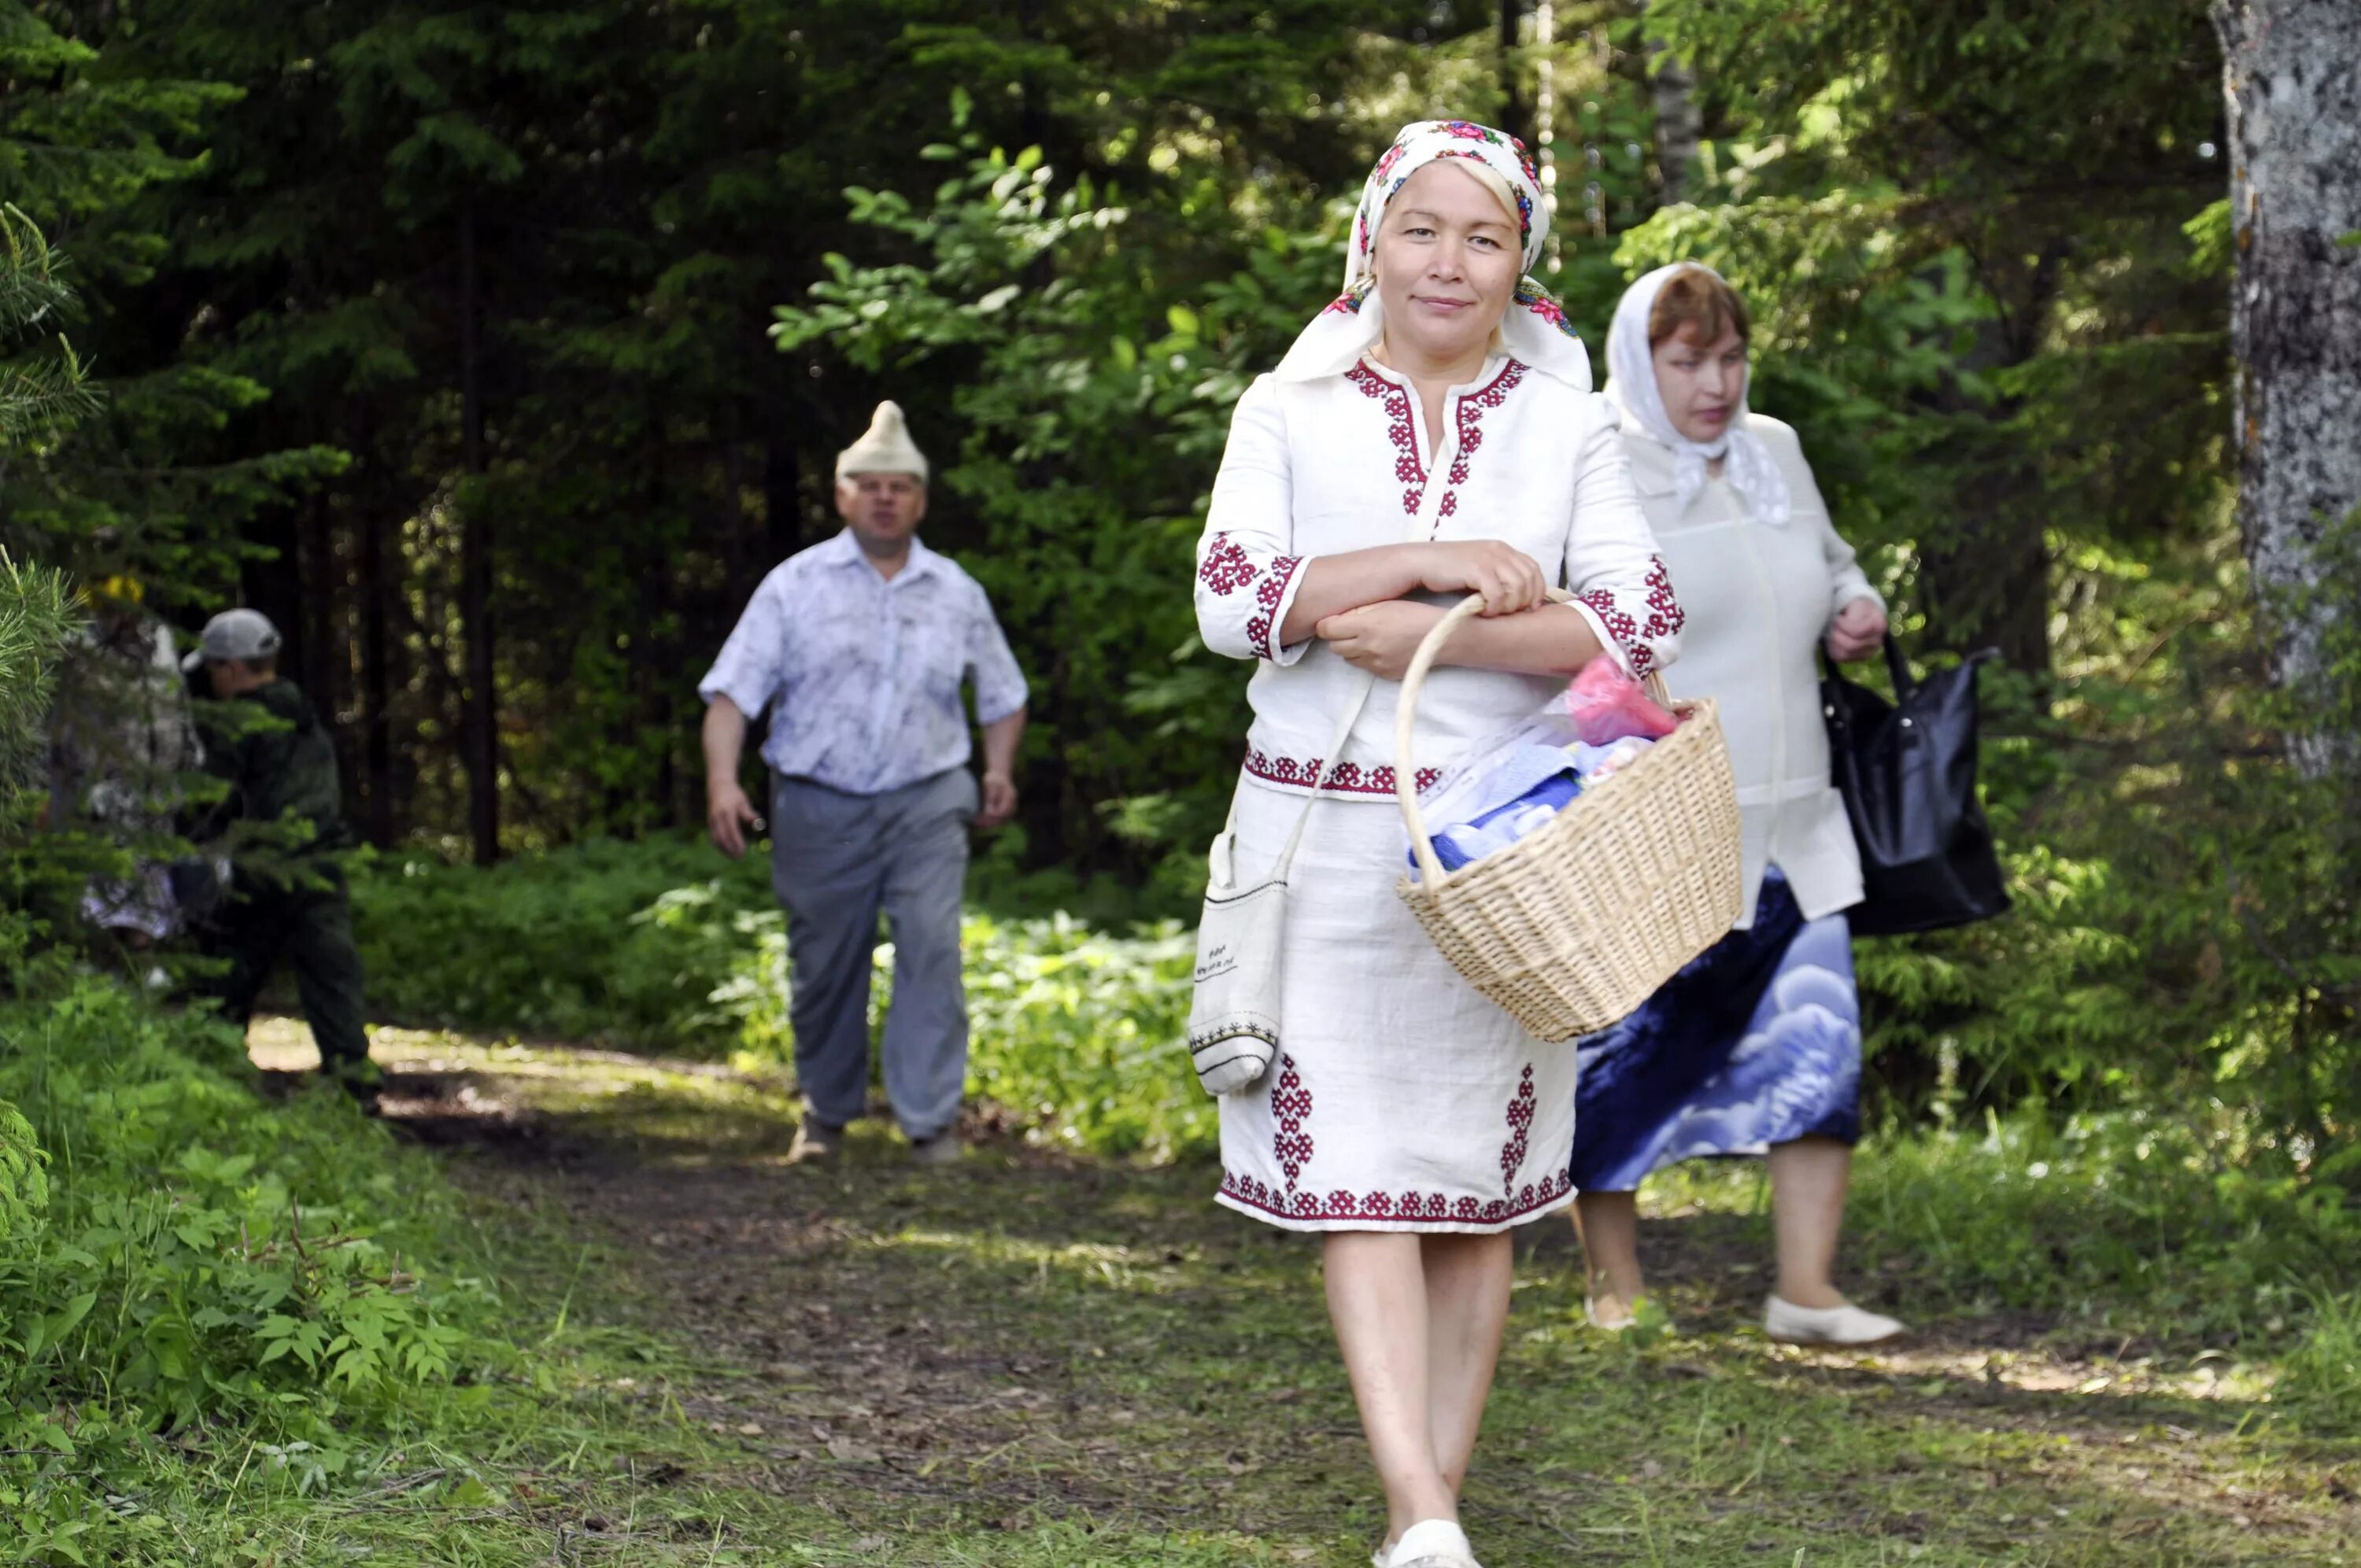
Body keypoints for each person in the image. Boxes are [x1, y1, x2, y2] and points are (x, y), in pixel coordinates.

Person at [1194, 122, 1682, 1568]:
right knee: (1357, 1171)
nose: (1449, 261)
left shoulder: (1568, 416)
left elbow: (1641, 618)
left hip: (1515, 841)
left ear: (1523, 256)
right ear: (1372, 240)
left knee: (1479, 1189)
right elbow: (1235, 597)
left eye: (1484, 235)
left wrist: (1411, 630)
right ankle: (1419, 1503)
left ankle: (1430, 1519)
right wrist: (1433, 555)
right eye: (1423, 229)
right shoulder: (1289, 407)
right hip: (1327, 844)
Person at [1567, 262, 1903, 1347]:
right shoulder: (1596, 463)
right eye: (1686, 361)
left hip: (1798, 821)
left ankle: (1805, 1289)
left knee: (1817, 1054)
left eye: (1730, 358)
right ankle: (1615, 1288)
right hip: (1661, 826)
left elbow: (1836, 565)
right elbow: (1569, 641)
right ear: (1639, 360)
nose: (1715, 383)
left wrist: (1856, 608)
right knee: (1627, 1059)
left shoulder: (1777, 452)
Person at [699, 401, 1027, 1168]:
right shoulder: (793, 585)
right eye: (869, 484)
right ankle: (825, 1112)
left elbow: (1005, 694)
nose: (885, 497)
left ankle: (930, 1121)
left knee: (931, 949)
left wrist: (999, 768)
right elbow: (731, 695)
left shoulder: (955, 590)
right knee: (825, 960)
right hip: (817, 801)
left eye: (901, 486)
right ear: (843, 496)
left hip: (927, 797)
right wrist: (724, 782)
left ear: (920, 500)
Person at [184, 607, 378, 1103]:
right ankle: (355, 1089)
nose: (211, 683)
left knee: (229, 973)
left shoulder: (240, 723)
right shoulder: (304, 714)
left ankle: (209, 1078)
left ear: (232, 667)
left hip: (262, 872)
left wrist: (177, 833)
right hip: (321, 867)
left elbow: (211, 802)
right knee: (333, 978)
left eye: (212, 672)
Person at [45, 575, 204, 946]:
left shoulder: (159, 640)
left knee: (150, 893)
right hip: (97, 794)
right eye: (113, 611)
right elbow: (53, 721)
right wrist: (44, 786)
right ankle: (104, 974)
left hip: (156, 792)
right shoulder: (77, 645)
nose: (124, 619)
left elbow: (177, 701)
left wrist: (190, 759)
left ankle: (142, 972)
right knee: (100, 892)